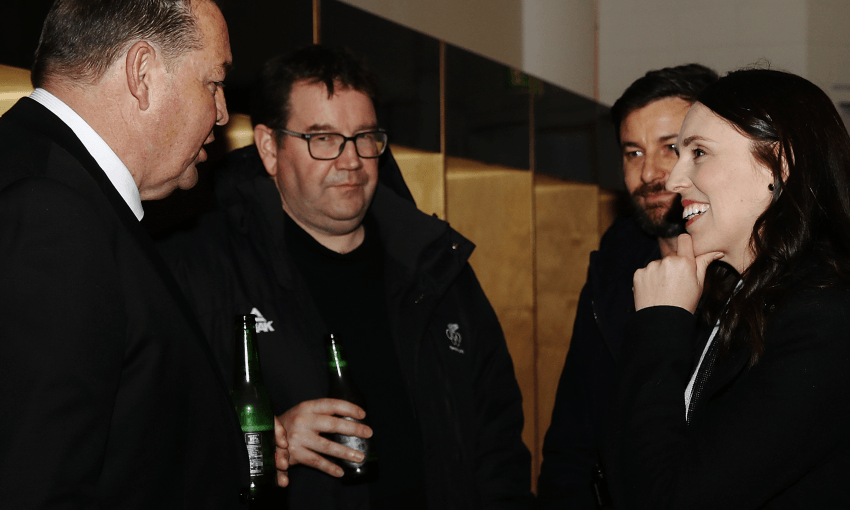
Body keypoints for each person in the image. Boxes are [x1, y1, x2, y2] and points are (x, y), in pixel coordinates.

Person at [157, 44, 534, 510]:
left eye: (364, 137)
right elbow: (156, 440)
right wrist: (266, 443)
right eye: (323, 138)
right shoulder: (202, 270)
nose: (351, 159)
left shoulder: (436, 266)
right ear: (270, 148)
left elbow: (497, 441)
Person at [0, 0, 288, 508]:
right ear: (142, 73)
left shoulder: (56, 187)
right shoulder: (55, 214)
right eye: (214, 82)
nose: (222, 113)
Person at [602, 68, 850, 509]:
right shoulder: (745, 297)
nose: (676, 180)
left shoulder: (825, 319)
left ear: (778, 164)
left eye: (698, 152)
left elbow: (670, 499)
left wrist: (659, 324)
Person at [537, 64, 717, 508]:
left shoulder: (752, 274)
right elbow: (571, 438)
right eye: (632, 153)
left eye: (670, 148)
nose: (651, 173)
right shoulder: (612, 269)